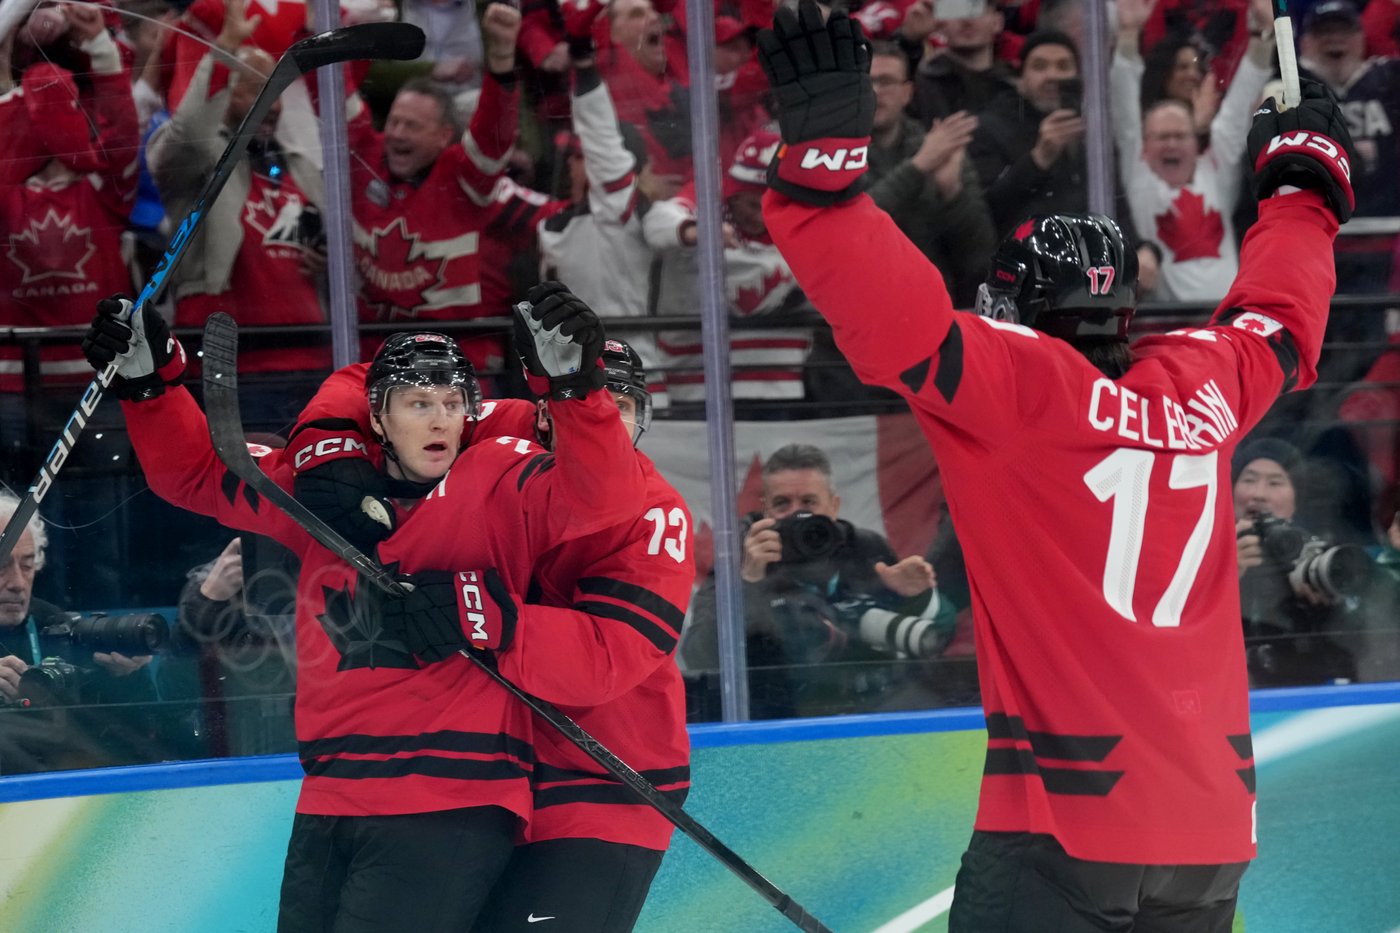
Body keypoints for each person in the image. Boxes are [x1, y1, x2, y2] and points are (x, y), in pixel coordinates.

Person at [756, 1, 1354, 926]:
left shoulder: (1020, 386)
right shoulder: (1202, 386)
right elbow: (1279, 316)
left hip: (1069, 817)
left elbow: (897, 313)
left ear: (1015, 308)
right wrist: (1302, 185)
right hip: (1211, 828)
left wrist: (819, 178)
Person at [79, 281, 648, 930]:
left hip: (452, 797)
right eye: (417, 403)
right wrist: (150, 386)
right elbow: (197, 473)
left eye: (452, 403)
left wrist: (575, 391)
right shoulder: (318, 496)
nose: (439, 419)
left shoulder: (502, 481)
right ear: (377, 418)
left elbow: (603, 496)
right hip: (333, 790)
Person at [288, 337, 694, 933]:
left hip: (598, 783)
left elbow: (608, 658)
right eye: (591, 399)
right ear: (543, 410)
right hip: (494, 779)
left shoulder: (655, 511)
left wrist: (482, 613)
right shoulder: (504, 429)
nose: (605, 416)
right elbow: (389, 375)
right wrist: (327, 442)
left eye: (623, 405)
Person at [680, 443, 953, 719]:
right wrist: (749, 583)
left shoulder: (864, 548)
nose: (797, 514)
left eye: (809, 502)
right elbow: (699, 656)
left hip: (866, 710)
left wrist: (913, 596)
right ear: (765, 510)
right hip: (776, 717)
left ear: (834, 506)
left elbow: (934, 637)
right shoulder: (740, 559)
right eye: (782, 504)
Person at [147, 0, 330, 407]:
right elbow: (190, 131)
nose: (274, 104)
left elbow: (338, 252)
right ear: (225, 93)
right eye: (257, 90)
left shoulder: (300, 167)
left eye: (276, 91)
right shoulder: (200, 161)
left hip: (310, 361)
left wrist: (325, 259)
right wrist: (224, 50)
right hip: (230, 368)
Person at [1110, 0, 1275, 303]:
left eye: (1180, 136)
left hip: (1224, 318)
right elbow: (1125, 106)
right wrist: (1129, 34)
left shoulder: (1216, 170)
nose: (1172, 144)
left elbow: (1240, 103)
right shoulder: (1139, 172)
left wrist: (1263, 34)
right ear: (1145, 146)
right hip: (1166, 321)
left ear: (1195, 141)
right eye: (1162, 137)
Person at [0, 490, 163, 774]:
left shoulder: (57, 627)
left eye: (27, 565)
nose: (18, 583)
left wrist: (126, 679)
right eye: (2, 566)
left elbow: (136, 740)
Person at [866, 40, 994, 306]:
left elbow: (979, 256)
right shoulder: (836, 152)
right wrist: (918, 166)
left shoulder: (940, 149)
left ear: (907, 92)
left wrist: (953, 193)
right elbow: (854, 226)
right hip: (858, 302)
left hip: (932, 305)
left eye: (886, 81)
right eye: (867, 82)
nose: (876, 91)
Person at [1232, 438, 1365, 686]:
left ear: (1296, 497)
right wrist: (1225, 575)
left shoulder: (1316, 555)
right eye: (1249, 480)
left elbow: (1362, 648)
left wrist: (1327, 605)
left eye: (1275, 483)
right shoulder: (1202, 553)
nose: (1258, 494)